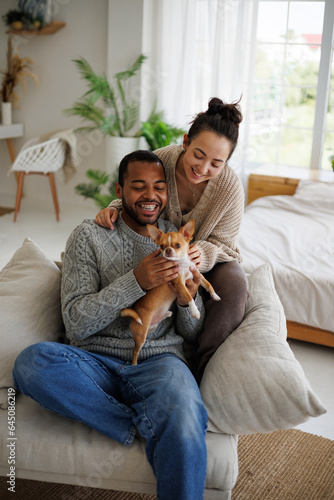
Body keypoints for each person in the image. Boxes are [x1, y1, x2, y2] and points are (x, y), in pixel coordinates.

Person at [13, 150, 208, 500]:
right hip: (93, 363)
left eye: (159, 187)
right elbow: (75, 323)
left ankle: (145, 417)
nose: (150, 196)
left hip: (160, 363)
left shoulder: (176, 240)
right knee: (31, 363)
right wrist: (135, 280)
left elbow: (194, 332)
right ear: (120, 189)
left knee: (184, 409)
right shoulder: (89, 235)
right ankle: (135, 421)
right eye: (138, 186)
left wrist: (184, 301)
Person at [95, 97, 249, 382]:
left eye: (216, 163)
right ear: (185, 141)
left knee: (236, 285)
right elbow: (136, 193)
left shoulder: (230, 188)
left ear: (226, 162)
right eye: (198, 155)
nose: (203, 169)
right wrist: (113, 208)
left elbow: (226, 244)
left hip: (202, 254)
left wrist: (202, 253)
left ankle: (201, 369)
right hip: (159, 248)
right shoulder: (161, 161)